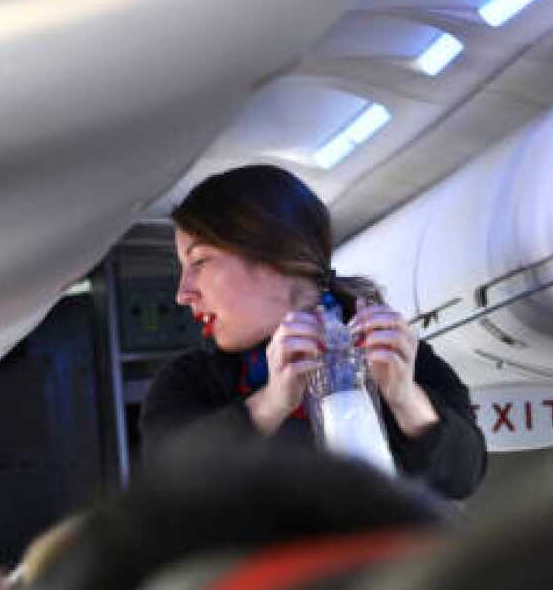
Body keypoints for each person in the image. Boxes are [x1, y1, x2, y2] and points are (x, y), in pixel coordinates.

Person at [141, 163, 486, 499]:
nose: (183, 293)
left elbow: (463, 478)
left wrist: (404, 397)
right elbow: (174, 481)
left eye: (199, 262)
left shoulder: (397, 356)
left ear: (272, 256)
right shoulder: (189, 383)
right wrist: (271, 403)